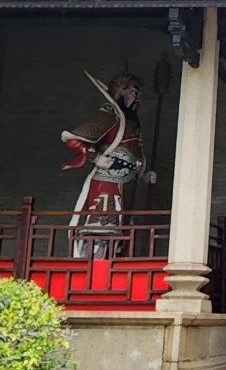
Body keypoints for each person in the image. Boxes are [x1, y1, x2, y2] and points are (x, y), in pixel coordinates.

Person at [61, 72, 156, 258]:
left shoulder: (132, 121)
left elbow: (134, 153)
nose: (136, 97)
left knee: (122, 229)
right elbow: (73, 139)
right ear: (120, 92)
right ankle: (93, 264)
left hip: (128, 184)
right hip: (107, 182)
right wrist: (96, 158)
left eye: (138, 93)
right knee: (102, 227)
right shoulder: (111, 114)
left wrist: (144, 174)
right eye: (132, 91)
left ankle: (112, 261)